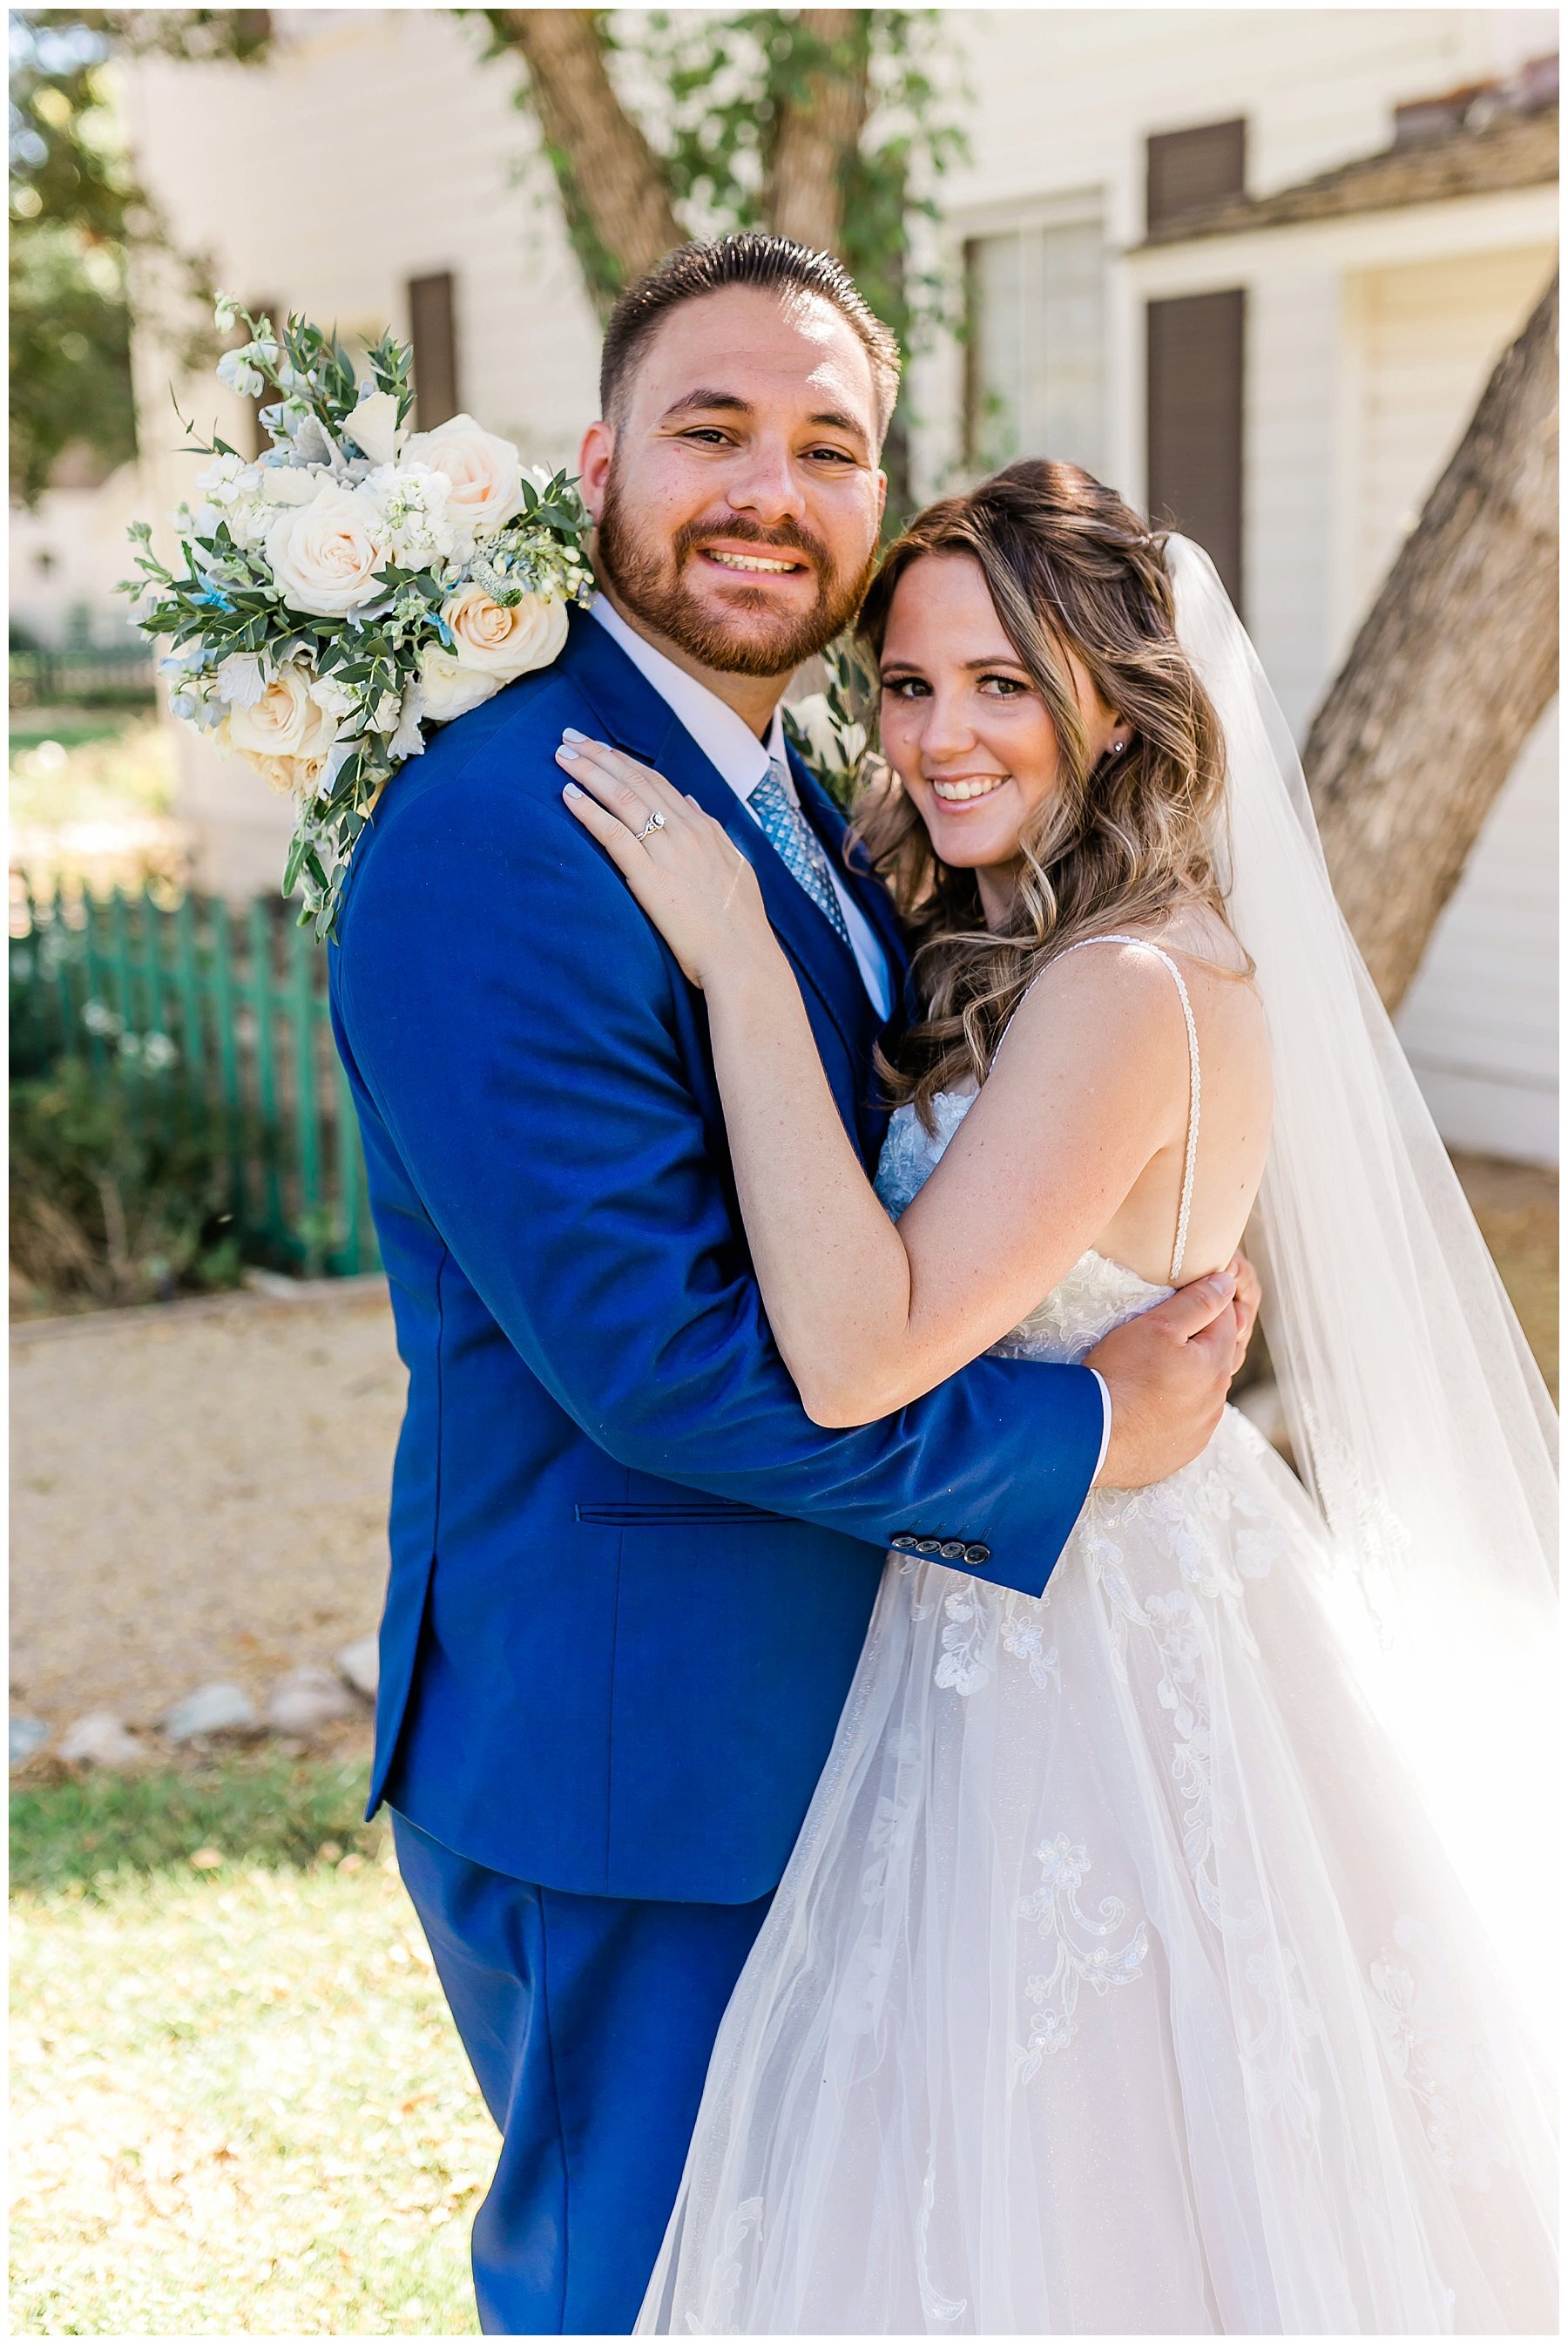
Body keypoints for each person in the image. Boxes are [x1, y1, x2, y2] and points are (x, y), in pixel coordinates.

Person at [328, 238, 1254, 2335]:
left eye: (826, 444)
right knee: (646, 2295)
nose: (769, 485)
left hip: (866, 1725)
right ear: (597, 466)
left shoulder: (813, 818)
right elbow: (667, 1367)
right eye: (711, 429)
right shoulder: (513, 827)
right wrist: (1082, 1425)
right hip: (643, 1754)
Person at [559, 461, 1558, 2334]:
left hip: (1098, 1643)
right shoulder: (1025, 944)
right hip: (1006, 1597)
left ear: (1119, 696)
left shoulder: (1126, 985)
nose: (939, 736)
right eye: (913, 684)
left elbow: (864, 1351)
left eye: (1001, 684)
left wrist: (732, 965)